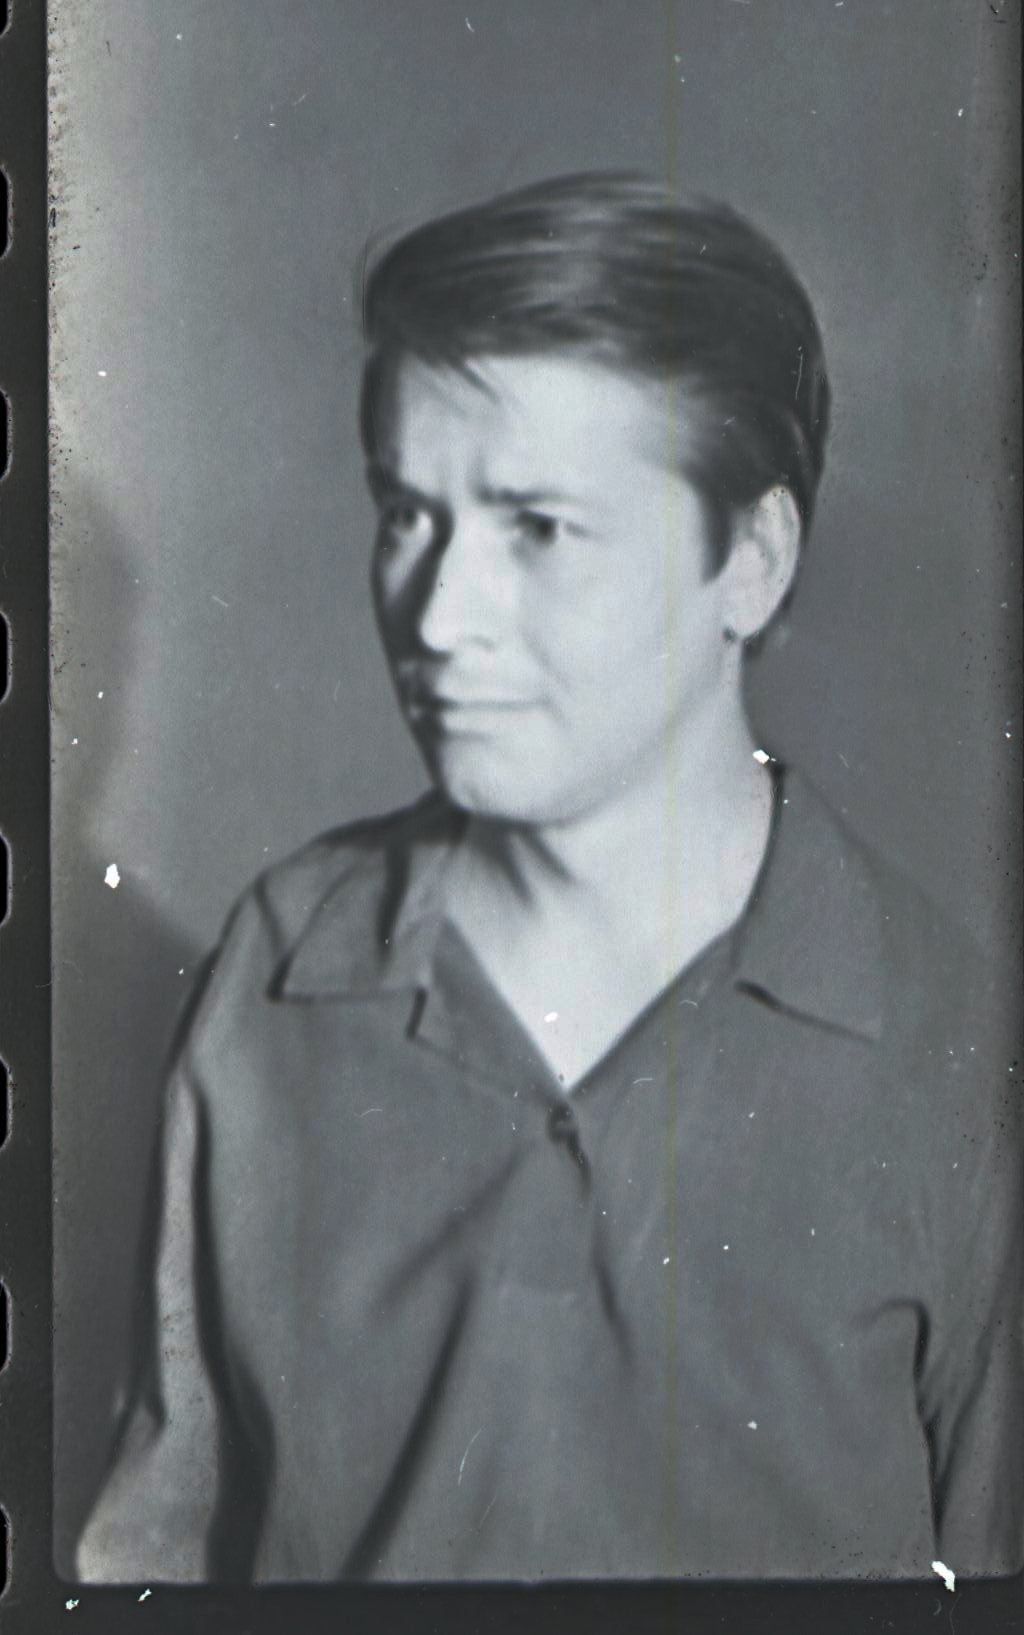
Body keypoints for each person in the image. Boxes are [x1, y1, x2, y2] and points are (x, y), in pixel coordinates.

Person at [76, 172, 1022, 1583]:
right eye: (408, 514)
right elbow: (152, 1551)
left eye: (540, 527)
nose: (439, 616)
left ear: (751, 562)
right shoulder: (272, 980)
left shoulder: (953, 1054)